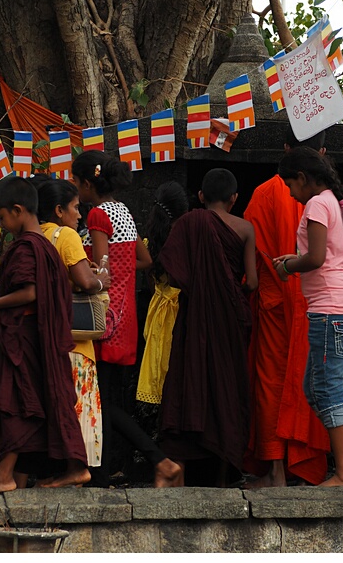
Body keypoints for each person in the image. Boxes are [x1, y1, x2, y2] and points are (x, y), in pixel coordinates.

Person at [0, 175, 89, 494]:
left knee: (14, 405)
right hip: (40, 340)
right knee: (43, 403)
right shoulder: (45, 246)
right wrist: (2, 286)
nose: (3, 224)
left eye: (4, 216)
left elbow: (31, 293)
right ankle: (75, 467)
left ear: (18, 210)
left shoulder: (25, 247)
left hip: (22, 341)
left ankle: (4, 474)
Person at [72, 151, 182, 488]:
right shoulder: (122, 211)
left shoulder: (96, 216)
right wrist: (118, 272)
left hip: (104, 317)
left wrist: (99, 274)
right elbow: (146, 260)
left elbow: (101, 268)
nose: (76, 191)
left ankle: (158, 460)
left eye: (77, 183)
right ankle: (102, 472)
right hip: (126, 315)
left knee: (100, 400)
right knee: (111, 398)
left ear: (88, 183)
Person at [273, 146, 343, 487]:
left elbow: (314, 259)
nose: (289, 193)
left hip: (332, 308)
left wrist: (287, 266)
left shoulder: (317, 203)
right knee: (315, 389)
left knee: (326, 390)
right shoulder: (336, 203)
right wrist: (295, 259)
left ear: (302, 179)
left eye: (289, 185)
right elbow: (337, 259)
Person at [242, 129, 331, 488]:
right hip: (316, 301)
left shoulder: (265, 192)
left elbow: (253, 255)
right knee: (312, 382)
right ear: (322, 151)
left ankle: (277, 471)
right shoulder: (328, 197)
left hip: (275, 302)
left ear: (284, 149)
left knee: (270, 385)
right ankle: (308, 465)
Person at [158, 168, 258, 486]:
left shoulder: (189, 222)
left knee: (191, 382)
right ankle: (225, 464)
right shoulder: (245, 228)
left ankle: (188, 463)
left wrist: (203, 289)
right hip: (231, 318)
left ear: (200, 197)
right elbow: (252, 281)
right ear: (234, 198)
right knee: (228, 385)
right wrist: (226, 291)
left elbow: (173, 271)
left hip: (195, 317)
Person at [32, 177, 111, 479]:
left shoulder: (33, 236)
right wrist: (101, 279)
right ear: (58, 210)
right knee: (77, 405)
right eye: (75, 208)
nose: (80, 214)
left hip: (44, 336)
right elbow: (87, 282)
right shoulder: (66, 235)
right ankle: (77, 468)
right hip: (75, 341)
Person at [136, 181, 189, 405]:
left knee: (157, 366)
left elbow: (150, 282)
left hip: (155, 310)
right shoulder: (184, 241)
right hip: (178, 311)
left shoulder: (149, 243)